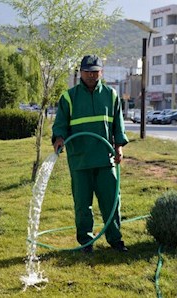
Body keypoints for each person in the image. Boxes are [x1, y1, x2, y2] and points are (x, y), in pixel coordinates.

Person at [52, 54, 129, 253]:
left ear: (101, 72)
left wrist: (119, 146)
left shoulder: (111, 95)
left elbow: (118, 126)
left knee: (111, 201)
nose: (91, 75)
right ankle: (86, 242)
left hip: (105, 159)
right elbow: (60, 124)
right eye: (87, 72)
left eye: (95, 72)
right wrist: (59, 139)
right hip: (80, 160)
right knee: (82, 205)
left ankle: (116, 240)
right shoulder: (69, 97)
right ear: (80, 73)